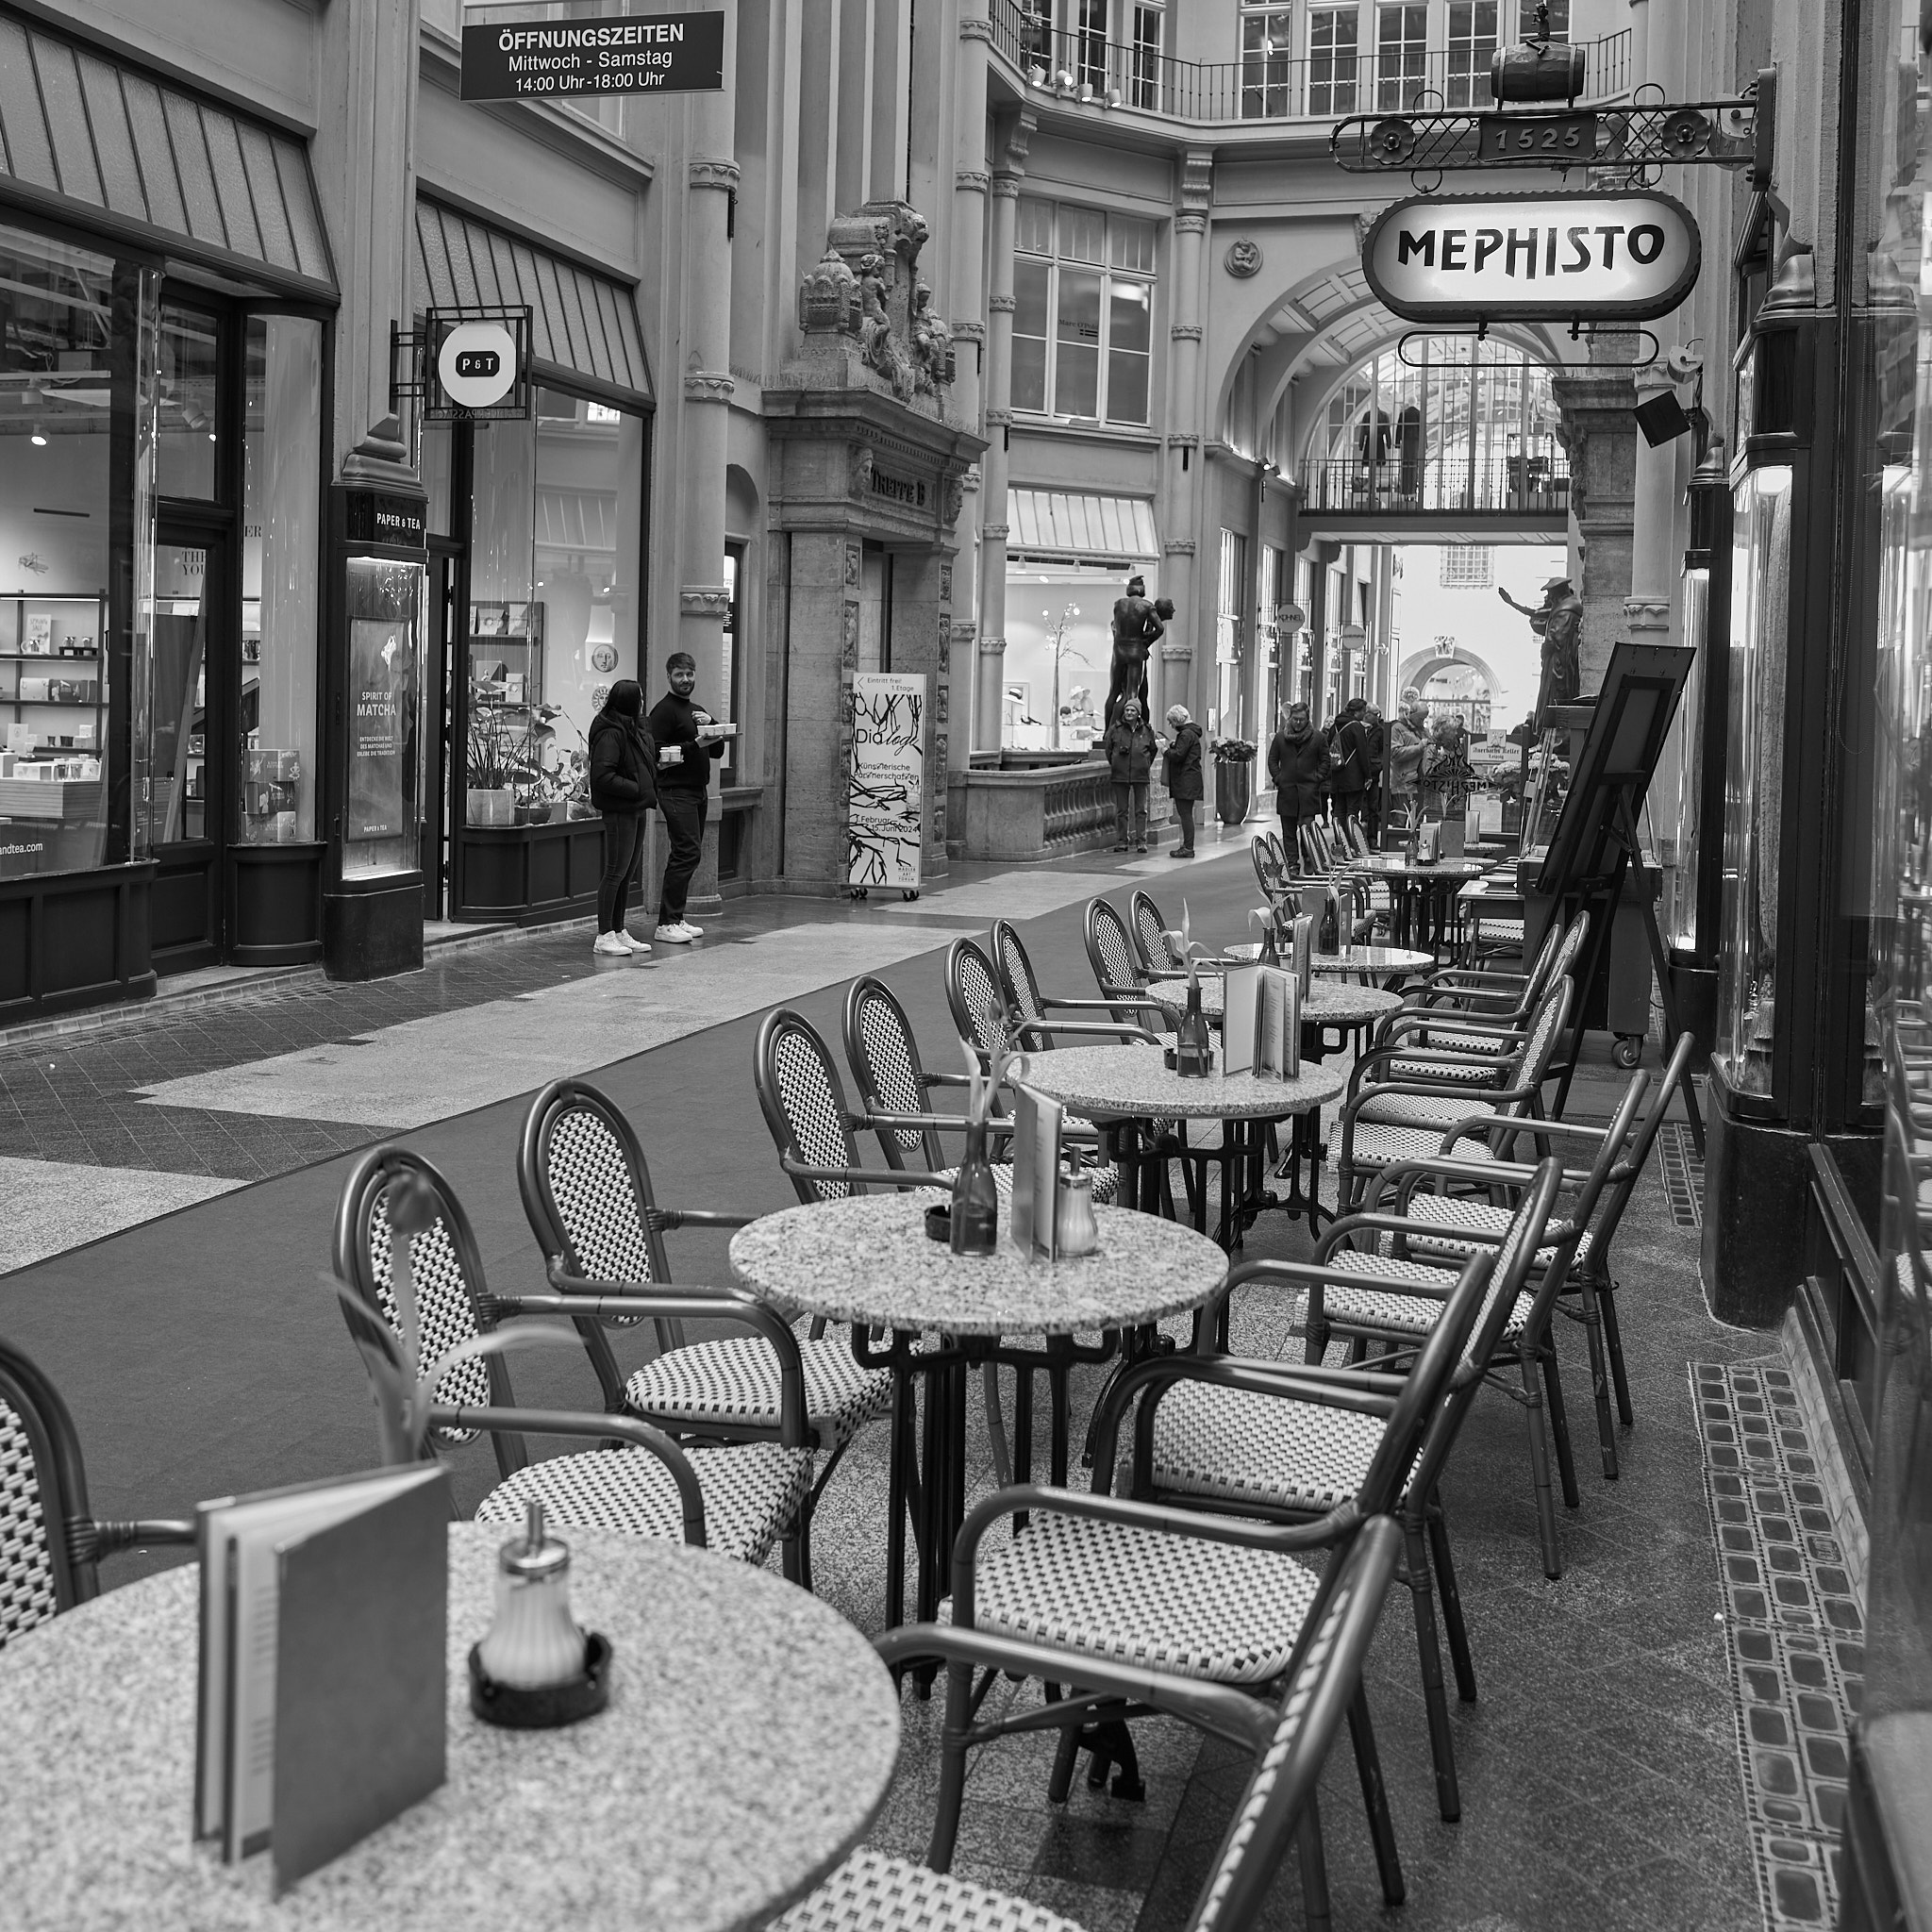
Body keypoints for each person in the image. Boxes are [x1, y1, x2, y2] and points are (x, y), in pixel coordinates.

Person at [647, 651, 727, 945]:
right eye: (679, 675)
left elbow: (717, 751)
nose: (685, 680)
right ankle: (666, 922)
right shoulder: (663, 711)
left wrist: (711, 723)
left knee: (689, 853)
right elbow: (656, 752)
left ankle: (676, 917)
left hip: (697, 791)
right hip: (674, 790)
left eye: (689, 674)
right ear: (669, 676)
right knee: (686, 853)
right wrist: (695, 743)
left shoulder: (697, 710)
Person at [587, 678, 657, 958]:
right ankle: (604, 935)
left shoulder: (632, 729)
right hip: (620, 810)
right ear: (630, 702)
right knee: (615, 872)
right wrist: (637, 788)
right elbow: (603, 776)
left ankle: (618, 929)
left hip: (635, 808)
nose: (643, 703)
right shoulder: (611, 733)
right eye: (639, 698)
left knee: (626, 873)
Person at [1499, 576, 1584, 724]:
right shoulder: (1562, 606)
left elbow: (1557, 637)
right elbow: (1536, 613)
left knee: (1556, 693)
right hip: (1556, 661)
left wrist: (1546, 648)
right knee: (1550, 695)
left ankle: (1554, 729)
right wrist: (1512, 603)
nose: (1549, 597)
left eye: (1550, 593)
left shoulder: (1567, 609)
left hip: (1560, 664)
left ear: (1557, 593)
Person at [1266, 700, 1329, 874]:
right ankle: (1292, 864)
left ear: (1307, 719)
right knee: (1288, 832)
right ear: (1290, 718)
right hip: (1287, 790)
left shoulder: (1318, 737)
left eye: (1301, 719)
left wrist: (1318, 778)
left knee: (1307, 829)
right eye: (1295, 719)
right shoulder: (1280, 737)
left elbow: (1325, 760)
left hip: (1308, 790)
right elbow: (1272, 760)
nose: (1298, 722)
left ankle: (1308, 858)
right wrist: (1278, 777)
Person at [1102, 696, 1158, 852]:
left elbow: (1153, 750)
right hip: (1120, 774)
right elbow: (1108, 749)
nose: (1129, 713)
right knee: (1121, 811)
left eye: (1132, 710)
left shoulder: (1147, 730)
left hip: (1140, 774)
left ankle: (1141, 841)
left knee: (1141, 810)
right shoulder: (1116, 729)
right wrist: (1115, 763)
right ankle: (1122, 841)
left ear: (1138, 713)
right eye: (1127, 710)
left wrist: (1145, 764)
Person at [1161, 704, 1204, 858]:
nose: (1170, 725)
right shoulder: (1191, 733)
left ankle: (1188, 847)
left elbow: (1178, 756)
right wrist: (1175, 745)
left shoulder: (1185, 734)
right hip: (1191, 778)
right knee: (1186, 814)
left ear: (1177, 720)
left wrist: (1166, 751)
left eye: (1171, 721)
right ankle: (1187, 845)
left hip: (1185, 779)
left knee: (1185, 814)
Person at [1329, 695, 1371, 844]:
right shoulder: (1356, 727)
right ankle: (1352, 843)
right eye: (1363, 711)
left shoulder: (1335, 725)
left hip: (1337, 773)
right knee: (1352, 811)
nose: (1364, 714)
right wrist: (1368, 775)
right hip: (1354, 776)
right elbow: (1362, 752)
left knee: (1339, 809)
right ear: (1357, 711)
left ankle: (1340, 843)